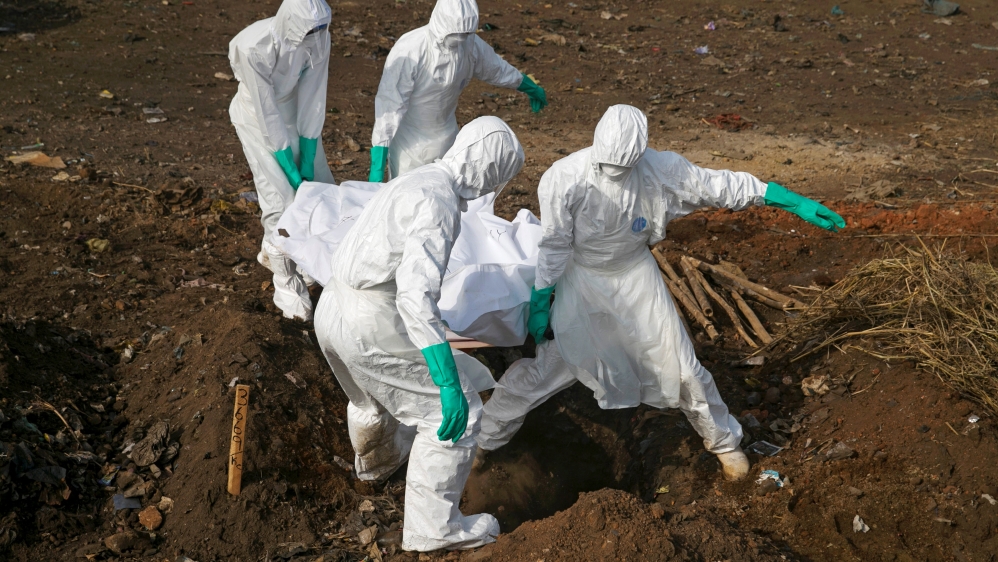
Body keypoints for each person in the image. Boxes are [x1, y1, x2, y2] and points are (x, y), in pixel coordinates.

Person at [476, 105, 845, 481]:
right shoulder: (564, 178)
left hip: (636, 277)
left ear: (639, 157)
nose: (614, 175)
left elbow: (719, 185)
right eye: (607, 167)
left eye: (623, 169)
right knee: (554, 365)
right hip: (582, 278)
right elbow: (554, 244)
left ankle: (724, 445)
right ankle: (484, 441)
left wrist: (788, 199)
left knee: (682, 366)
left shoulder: (661, 170)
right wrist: (542, 298)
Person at [314, 117, 525, 550]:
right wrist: (446, 377)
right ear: (488, 172)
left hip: (332, 305)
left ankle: (374, 469)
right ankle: (433, 528)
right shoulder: (440, 203)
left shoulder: (419, 178)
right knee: (456, 413)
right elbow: (415, 294)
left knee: (368, 398)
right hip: (369, 319)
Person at [228, 0, 334, 321]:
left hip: (292, 109)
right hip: (256, 117)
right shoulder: (254, 48)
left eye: (321, 29)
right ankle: (287, 285)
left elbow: (315, 94)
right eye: (309, 30)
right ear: (291, 23)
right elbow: (266, 113)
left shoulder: (319, 36)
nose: (316, 36)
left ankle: (305, 257)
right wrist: (288, 166)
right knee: (281, 199)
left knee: (322, 189)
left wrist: (309, 153)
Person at [367, 0, 547, 182]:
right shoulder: (411, 49)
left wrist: (528, 86)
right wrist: (379, 160)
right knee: (408, 196)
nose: (460, 38)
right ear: (442, 24)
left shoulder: (470, 45)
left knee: (447, 194)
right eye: (456, 33)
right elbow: (390, 103)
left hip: (449, 139)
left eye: (466, 33)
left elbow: (496, 69)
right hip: (411, 146)